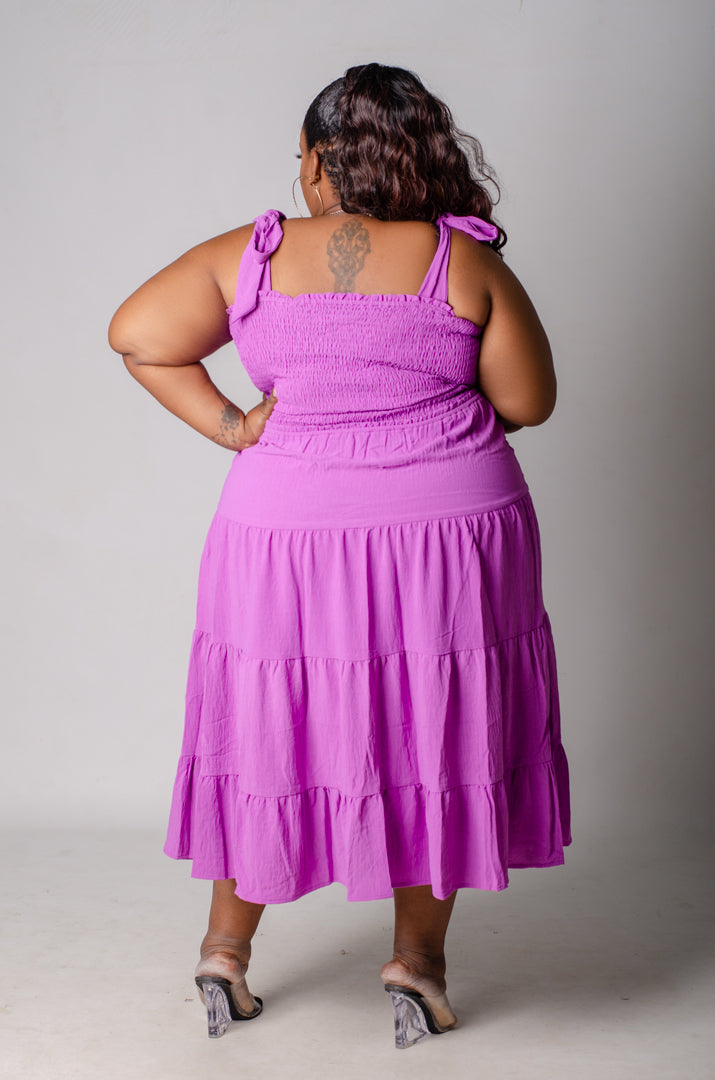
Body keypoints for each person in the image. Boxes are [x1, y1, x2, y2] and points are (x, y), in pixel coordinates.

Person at [108, 62, 571, 1049]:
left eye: (301, 158)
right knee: (437, 725)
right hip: (446, 529)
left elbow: (138, 335)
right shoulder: (461, 259)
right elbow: (528, 401)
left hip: (284, 527)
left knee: (267, 722)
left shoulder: (251, 253)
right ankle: (417, 970)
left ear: (320, 163)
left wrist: (236, 426)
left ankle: (224, 955)